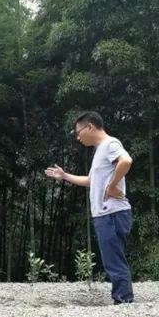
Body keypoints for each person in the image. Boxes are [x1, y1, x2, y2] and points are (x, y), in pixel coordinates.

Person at [45, 111, 134, 304]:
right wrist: (65, 176)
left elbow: (126, 161)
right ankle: (123, 298)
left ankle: (124, 300)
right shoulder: (100, 150)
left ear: (90, 127)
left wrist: (111, 186)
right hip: (106, 214)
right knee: (113, 258)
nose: (78, 137)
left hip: (112, 213)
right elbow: (91, 181)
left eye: (78, 132)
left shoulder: (110, 144)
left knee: (113, 260)